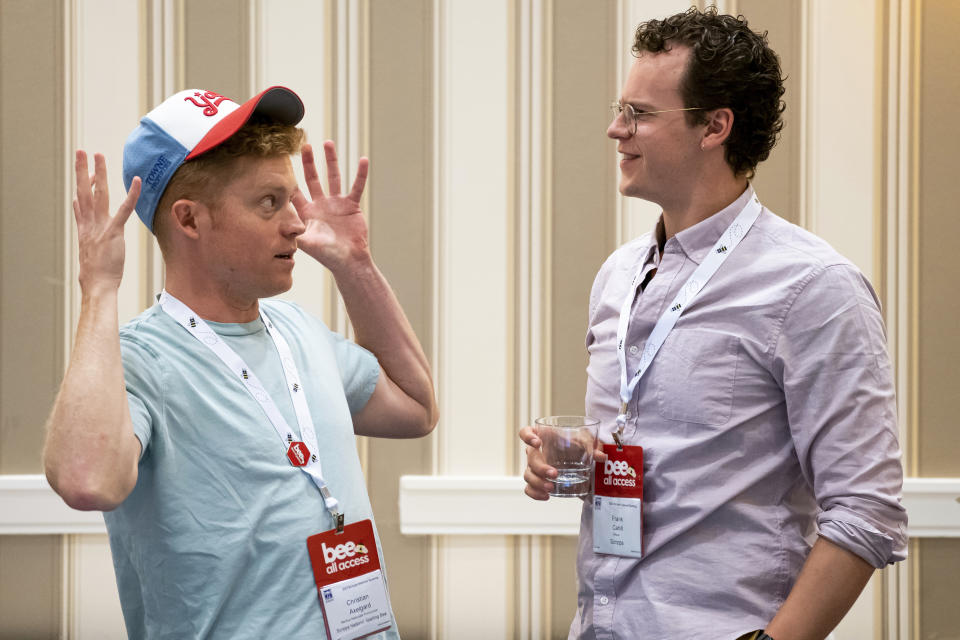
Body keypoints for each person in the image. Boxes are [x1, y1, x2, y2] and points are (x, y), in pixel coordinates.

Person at [520, 8, 906, 640]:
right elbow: (662, 448)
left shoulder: (816, 287)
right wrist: (580, 462)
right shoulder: (619, 274)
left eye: (640, 113)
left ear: (715, 126)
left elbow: (867, 510)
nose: (615, 129)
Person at [42, 86, 437, 639]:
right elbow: (86, 482)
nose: (297, 224)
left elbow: (416, 409)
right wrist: (99, 290)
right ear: (190, 220)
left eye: (291, 200)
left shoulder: (297, 330)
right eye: (269, 202)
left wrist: (355, 264)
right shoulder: (138, 358)